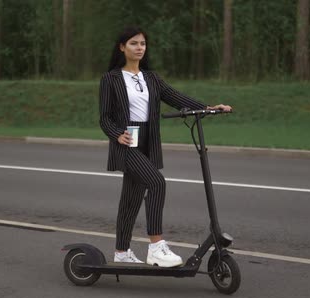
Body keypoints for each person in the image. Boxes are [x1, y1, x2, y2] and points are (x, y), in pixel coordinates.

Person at [99, 27, 232, 267]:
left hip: (148, 140)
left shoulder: (151, 77)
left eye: (143, 43)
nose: (139, 47)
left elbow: (176, 97)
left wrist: (209, 107)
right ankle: (156, 246)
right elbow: (105, 117)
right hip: (127, 141)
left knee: (131, 198)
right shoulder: (111, 78)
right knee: (157, 182)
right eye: (133, 43)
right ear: (122, 47)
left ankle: (121, 252)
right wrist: (117, 134)